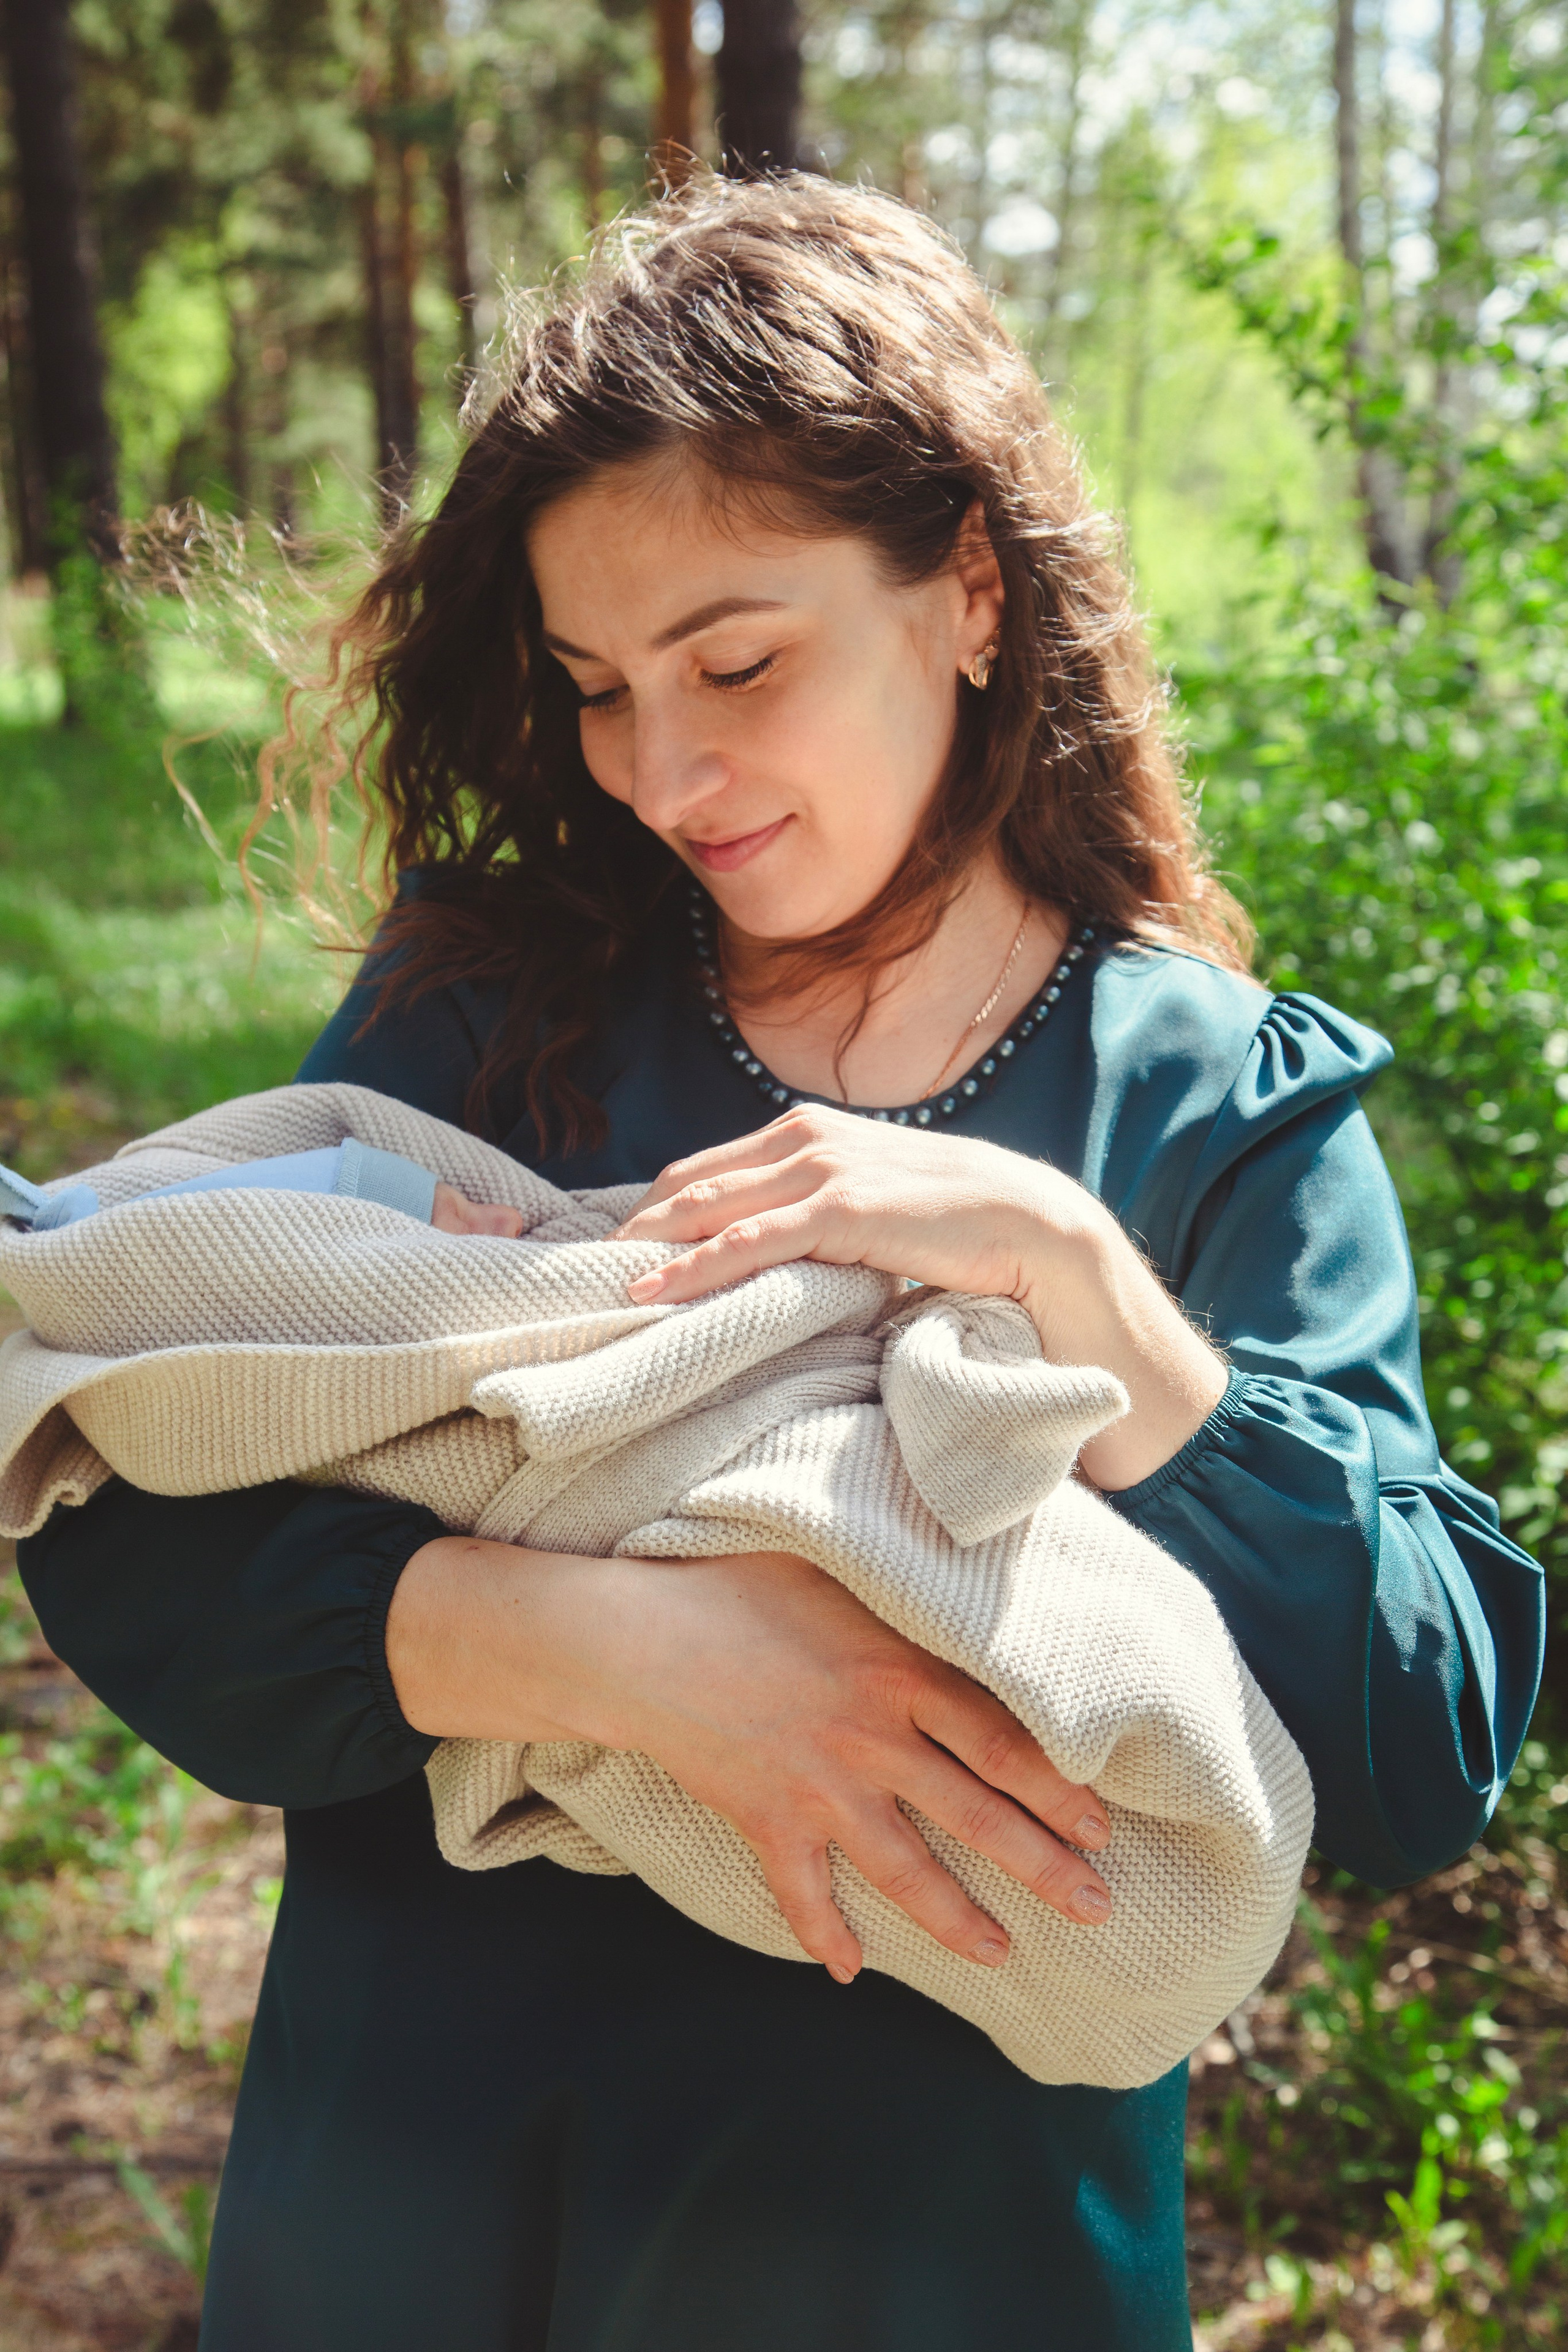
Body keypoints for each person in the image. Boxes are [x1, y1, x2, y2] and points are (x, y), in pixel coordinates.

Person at [17, 175, 1542, 2351]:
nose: (665, 769)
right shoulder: (486, 1010)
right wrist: (611, 1657)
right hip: (432, 2225)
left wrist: (1088, 1296)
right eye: (600, 688)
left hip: (948, 2276)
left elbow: (1418, 1746)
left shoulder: (1208, 1105)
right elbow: (123, 1508)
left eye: (738, 661)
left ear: (972, 591)